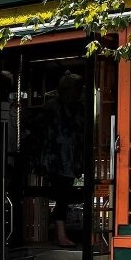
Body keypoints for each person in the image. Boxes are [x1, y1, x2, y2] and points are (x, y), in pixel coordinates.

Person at [41, 72, 85, 247]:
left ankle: (59, 232)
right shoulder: (54, 108)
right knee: (62, 197)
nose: (79, 93)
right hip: (57, 159)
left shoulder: (76, 108)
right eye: (77, 89)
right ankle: (59, 233)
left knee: (64, 196)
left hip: (68, 160)